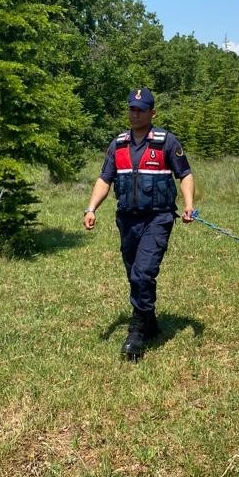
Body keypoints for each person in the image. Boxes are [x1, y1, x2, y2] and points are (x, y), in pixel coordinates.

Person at [83, 87, 195, 361]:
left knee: (142, 274)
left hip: (158, 217)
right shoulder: (118, 144)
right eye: (131, 109)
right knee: (134, 272)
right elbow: (104, 179)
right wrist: (91, 208)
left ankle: (137, 331)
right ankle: (151, 319)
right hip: (127, 219)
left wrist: (189, 204)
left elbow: (185, 174)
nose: (135, 114)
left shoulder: (166, 142)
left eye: (140, 109)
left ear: (152, 112)